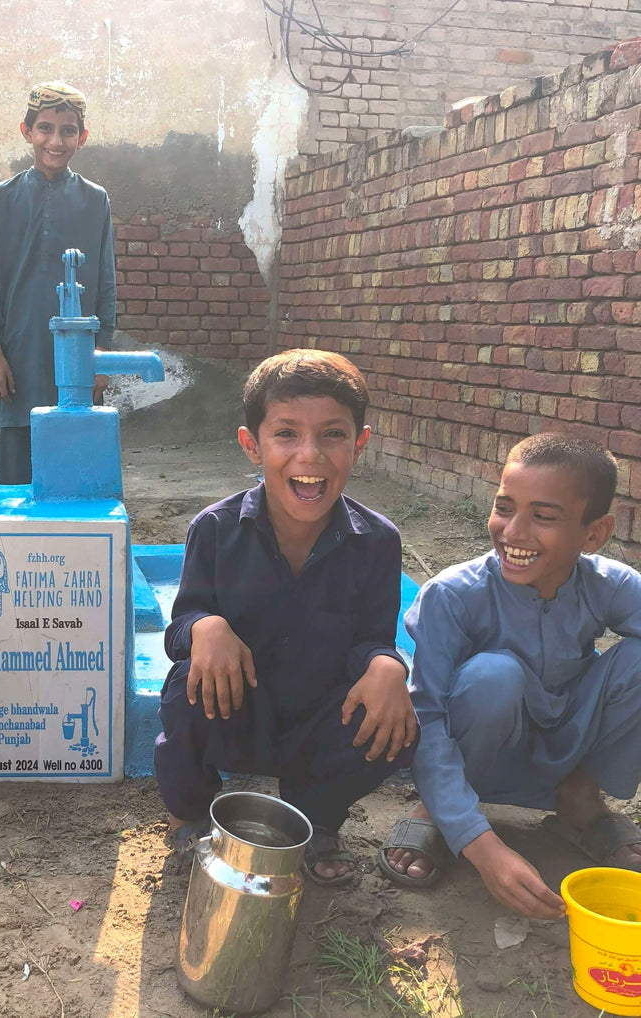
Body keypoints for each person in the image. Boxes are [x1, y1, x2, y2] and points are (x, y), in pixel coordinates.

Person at [153, 349, 417, 885]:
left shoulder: (378, 542)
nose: (311, 455)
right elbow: (179, 630)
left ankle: (317, 819)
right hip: (240, 710)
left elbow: (370, 639)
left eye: (333, 435)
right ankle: (189, 817)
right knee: (185, 684)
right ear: (252, 444)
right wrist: (207, 625)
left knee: (398, 711)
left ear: (359, 444)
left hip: (320, 716)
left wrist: (389, 662)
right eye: (287, 434)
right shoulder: (216, 530)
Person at [380, 433, 641, 919]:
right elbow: (429, 718)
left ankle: (579, 800)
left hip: (565, 746)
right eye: (504, 507)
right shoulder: (453, 595)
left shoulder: (608, 584)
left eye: (543, 516)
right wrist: (483, 848)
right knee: (493, 676)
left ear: (593, 534)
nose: (514, 532)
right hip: (476, 752)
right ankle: (440, 812)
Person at [0, 80, 115, 484]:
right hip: (18, 354)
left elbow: (105, 283)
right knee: (17, 478)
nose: (56, 141)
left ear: (82, 138)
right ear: (27, 132)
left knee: (76, 473)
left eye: (68, 130)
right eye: (45, 128)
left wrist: (101, 358)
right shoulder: (2, 197)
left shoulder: (95, 200)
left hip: (77, 357)